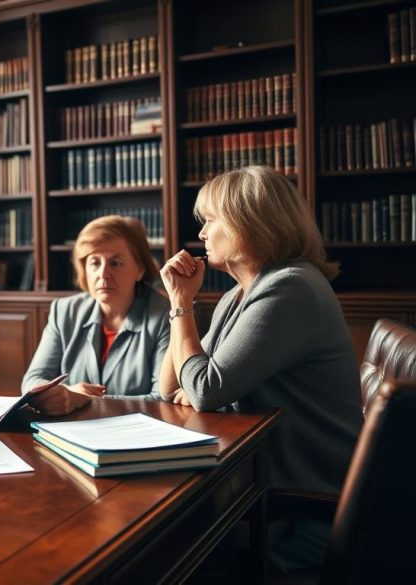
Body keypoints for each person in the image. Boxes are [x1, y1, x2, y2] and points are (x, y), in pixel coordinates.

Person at [159, 165, 362, 569]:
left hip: (303, 512)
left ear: (248, 223)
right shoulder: (239, 294)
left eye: (211, 220)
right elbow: (170, 388)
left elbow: (202, 389)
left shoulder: (291, 288)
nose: (200, 234)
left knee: (167, 552)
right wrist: (178, 304)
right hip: (260, 487)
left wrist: (182, 306)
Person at [22, 215, 170, 414]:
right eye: (94, 263)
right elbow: (33, 380)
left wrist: (84, 400)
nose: (103, 274)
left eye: (115, 263)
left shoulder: (166, 316)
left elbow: (163, 398)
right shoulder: (65, 311)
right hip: (72, 431)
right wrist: (65, 393)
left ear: (140, 269)